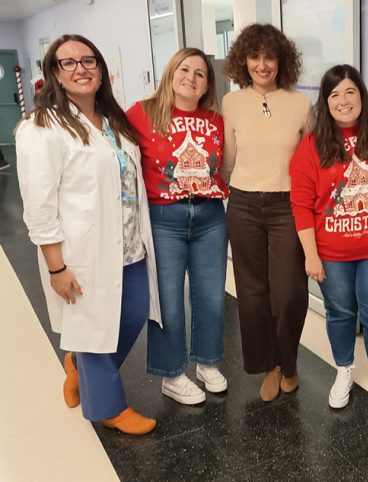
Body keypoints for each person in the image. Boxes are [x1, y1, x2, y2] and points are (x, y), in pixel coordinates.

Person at [15, 34, 161, 434]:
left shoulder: (113, 120)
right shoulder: (41, 127)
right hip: (82, 252)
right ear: (56, 75)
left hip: (129, 244)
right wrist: (56, 267)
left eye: (88, 60)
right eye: (69, 63)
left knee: (131, 315)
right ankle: (109, 407)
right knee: (94, 330)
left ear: (101, 70)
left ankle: (78, 364)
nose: (81, 69)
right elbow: (39, 206)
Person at [289, 64, 368, 419]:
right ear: (325, 102)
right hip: (332, 253)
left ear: (361, 96)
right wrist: (311, 256)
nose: (343, 100)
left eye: (350, 92)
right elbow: (302, 204)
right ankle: (344, 371)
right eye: (334, 94)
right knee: (339, 313)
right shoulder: (312, 145)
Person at [126, 48, 228, 405]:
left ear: (206, 86)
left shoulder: (215, 120)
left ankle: (208, 362)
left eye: (200, 74)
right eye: (185, 69)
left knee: (211, 294)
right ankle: (171, 373)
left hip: (210, 215)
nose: (191, 78)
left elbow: (224, 166)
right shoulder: (142, 113)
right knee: (168, 299)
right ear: (171, 73)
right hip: (164, 217)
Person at [221, 24, 311, 401]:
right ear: (244, 60)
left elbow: (316, 156)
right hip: (243, 202)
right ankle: (270, 366)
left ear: (282, 60)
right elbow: (227, 158)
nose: (262, 64)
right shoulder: (231, 102)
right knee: (253, 292)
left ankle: (288, 361)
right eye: (255, 56)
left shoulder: (301, 104)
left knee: (289, 291)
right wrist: (229, 191)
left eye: (269, 56)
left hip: (286, 205)